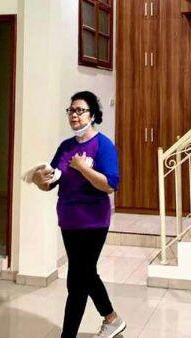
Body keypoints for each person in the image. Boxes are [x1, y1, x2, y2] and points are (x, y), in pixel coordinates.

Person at [32, 91, 126, 338]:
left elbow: (110, 185)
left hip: (94, 221)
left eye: (80, 110)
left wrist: (84, 168)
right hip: (69, 221)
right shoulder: (66, 146)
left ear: (92, 115)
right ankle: (112, 319)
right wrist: (39, 179)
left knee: (77, 279)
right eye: (71, 110)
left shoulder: (103, 145)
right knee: (85, 273)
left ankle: (69, 335)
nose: (74, 115)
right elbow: (51, 181)